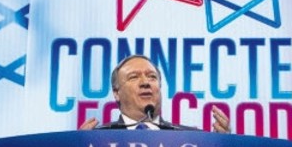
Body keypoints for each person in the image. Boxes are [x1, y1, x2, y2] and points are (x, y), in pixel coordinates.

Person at [79, 54, 231, 132]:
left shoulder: (191, 139)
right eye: (133, 77)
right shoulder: (97, 140)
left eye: (152, 77)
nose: (145, 82)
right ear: (116, 93)